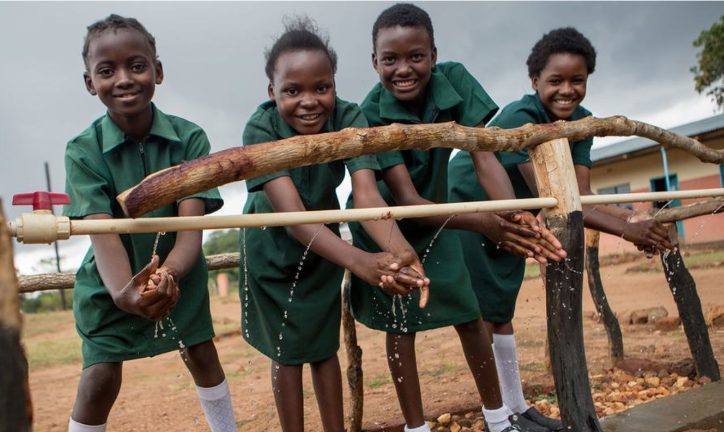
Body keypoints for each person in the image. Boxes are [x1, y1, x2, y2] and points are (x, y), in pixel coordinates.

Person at [349, 4, 567, 432]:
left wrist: (512, 213)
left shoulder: (456, 81)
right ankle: (416, 428)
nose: (404, 69)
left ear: (433, 53)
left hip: (441, 215)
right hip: (388, 222)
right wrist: (485, 222)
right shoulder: (368, 113)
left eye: (416, 56)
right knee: (402, 322)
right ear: (374, 62)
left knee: (469, 314)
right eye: (390, 59)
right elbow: (405, 195)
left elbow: (483, 155)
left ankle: (499, 419)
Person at [448, 27, 673, 431]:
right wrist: (626, 231)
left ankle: (518, 408)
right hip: (477, 207)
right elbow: (552, 196)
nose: (567, 90)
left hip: (521, 214)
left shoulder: (581, 123)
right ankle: (496, 417)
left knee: (501, 309)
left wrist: (634, 219)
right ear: (534, 81)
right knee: (483, 308)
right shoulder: (522, 115)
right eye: (555, 81)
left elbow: (581, 193)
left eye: (577, 80)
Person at [238, 16, 429, 432]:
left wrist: (401, 251)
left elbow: (367, 196)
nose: (309, 101)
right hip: (273, 249)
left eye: (320, 88)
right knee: (287, 351)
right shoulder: (260, 127)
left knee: (324, 348)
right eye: (293, 91)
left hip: (324, 247)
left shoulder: (350, 118)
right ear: (273, 93)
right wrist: (360, 262)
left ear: (334, 85)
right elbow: (293, 220)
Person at [63, 14, 236, 432]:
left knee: (201, 355)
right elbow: (102, 236)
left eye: (137, 66)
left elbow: (190, 232)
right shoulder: (82, 152)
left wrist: (168, 277)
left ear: (157, 70)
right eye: (106, 71)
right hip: (112, 281)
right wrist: (125, 293)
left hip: (180, 273)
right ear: (89, 82)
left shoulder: (190, 139)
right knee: (100, 376)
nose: (123, 79)